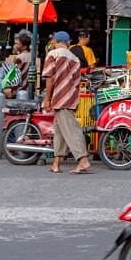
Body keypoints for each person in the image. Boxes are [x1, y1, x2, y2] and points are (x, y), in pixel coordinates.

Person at [41, 31, 91, 174]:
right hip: (71, 96)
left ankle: (83, 160)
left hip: (59, 97)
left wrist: (47, 98)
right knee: (60, 131)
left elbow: (49, 78)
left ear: (55, 41)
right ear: (68, 42)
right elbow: (76, 81)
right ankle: (56, 164)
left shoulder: (53, 55)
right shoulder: (75, 58)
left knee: (71, 130)